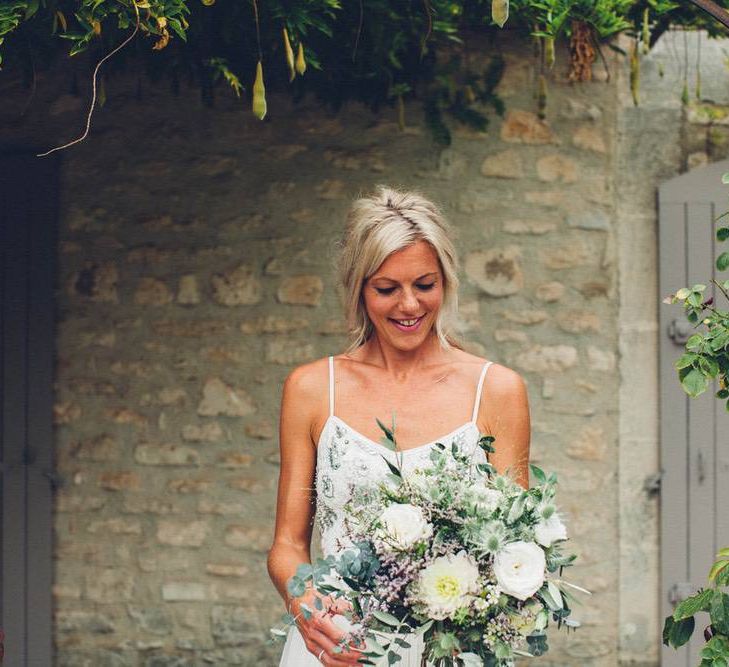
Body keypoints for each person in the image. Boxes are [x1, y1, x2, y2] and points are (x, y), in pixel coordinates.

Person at [267, 185, 531, 666]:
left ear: (446, 282)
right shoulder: (310, 389)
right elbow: (287, 544)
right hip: (340, 643)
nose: (409, 306)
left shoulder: (496, 390)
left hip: (453, 646)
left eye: (424, 285)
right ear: (358, 289)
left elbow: (517, 546)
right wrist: (303, 601)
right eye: (387, 289)